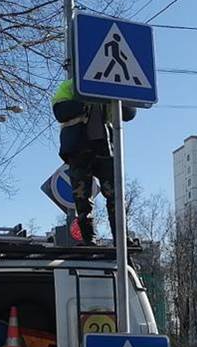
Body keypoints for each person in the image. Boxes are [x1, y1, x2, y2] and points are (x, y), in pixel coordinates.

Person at [51, 78, 136, 245]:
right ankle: (89, 238)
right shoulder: (71, 85)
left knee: (116, 194)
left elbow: (129, 113)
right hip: (79, 149)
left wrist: (115, 93)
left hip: (105, 148)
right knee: (82, 197)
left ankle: (121, 238)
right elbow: (60, 111)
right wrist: (86, 97)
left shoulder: (110, 85)